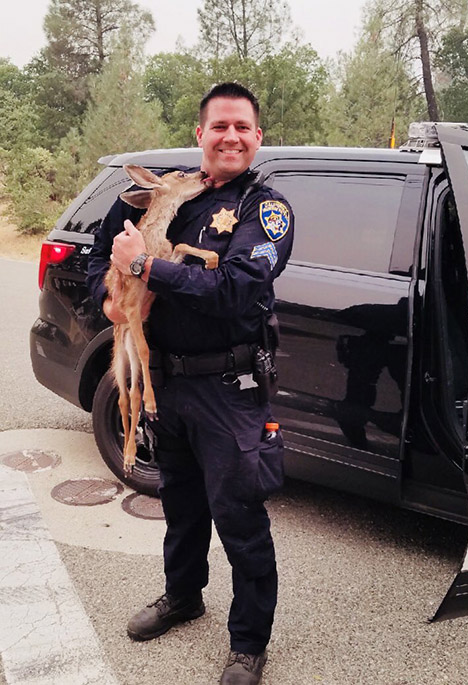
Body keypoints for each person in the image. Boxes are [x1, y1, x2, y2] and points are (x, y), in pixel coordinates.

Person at [87, 82, 293, 685]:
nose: (231, 136)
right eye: (220, 126)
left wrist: (146, 267)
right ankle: (183, 596)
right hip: (167, 382)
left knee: (240, 516)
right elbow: (108, 243)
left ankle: (249, 642)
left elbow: (236, 290)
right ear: (200, 134)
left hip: (230, 389)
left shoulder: (265, 208)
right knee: (180, 504)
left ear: (258, 137)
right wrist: (113, 295)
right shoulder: (170, 191)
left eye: (243, 127)